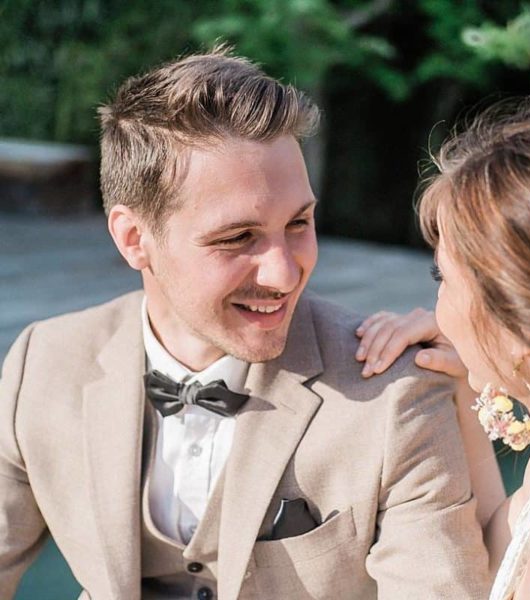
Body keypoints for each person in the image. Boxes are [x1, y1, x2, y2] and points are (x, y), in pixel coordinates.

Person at [0, 50, 489, 600]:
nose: (283, 273)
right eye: (237, 238)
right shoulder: (41, 363)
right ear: (134, 239)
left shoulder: (393, 393)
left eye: (299, 223)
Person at [357, 82, 530, 599]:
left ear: (521, 325)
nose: (435, 310)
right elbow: (493, 558)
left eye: (441, 277)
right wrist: (463, 383)